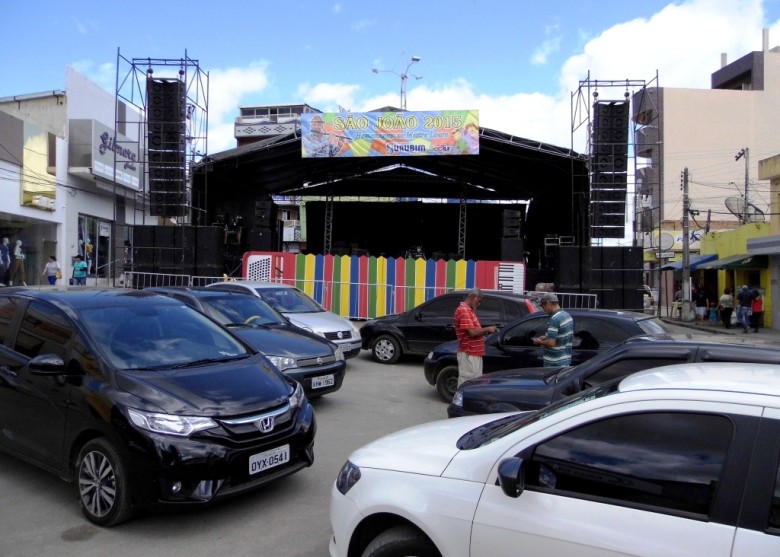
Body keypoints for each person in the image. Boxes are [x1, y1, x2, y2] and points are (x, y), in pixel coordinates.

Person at [453, 288, 498, 387]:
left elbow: (474, 332)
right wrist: (487, 329)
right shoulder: (464, 310)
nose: (479, 304)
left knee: (475, 384)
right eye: (479, 301)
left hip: (474, 353)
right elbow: (472, 333)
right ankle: (462, 402)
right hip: (469, 353)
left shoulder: (469, 310)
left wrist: (484, 332)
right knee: (468, 383)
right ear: (473, 297)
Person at [532, 293, 574, 367]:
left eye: (543, 307)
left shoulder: (554, 319)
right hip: (565, 361)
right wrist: (546, 336)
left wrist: (539, 342)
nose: (544, 310)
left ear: (548, 303)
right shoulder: (567, 316)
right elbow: (562, 335)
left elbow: (551, 343)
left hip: (554, 363)